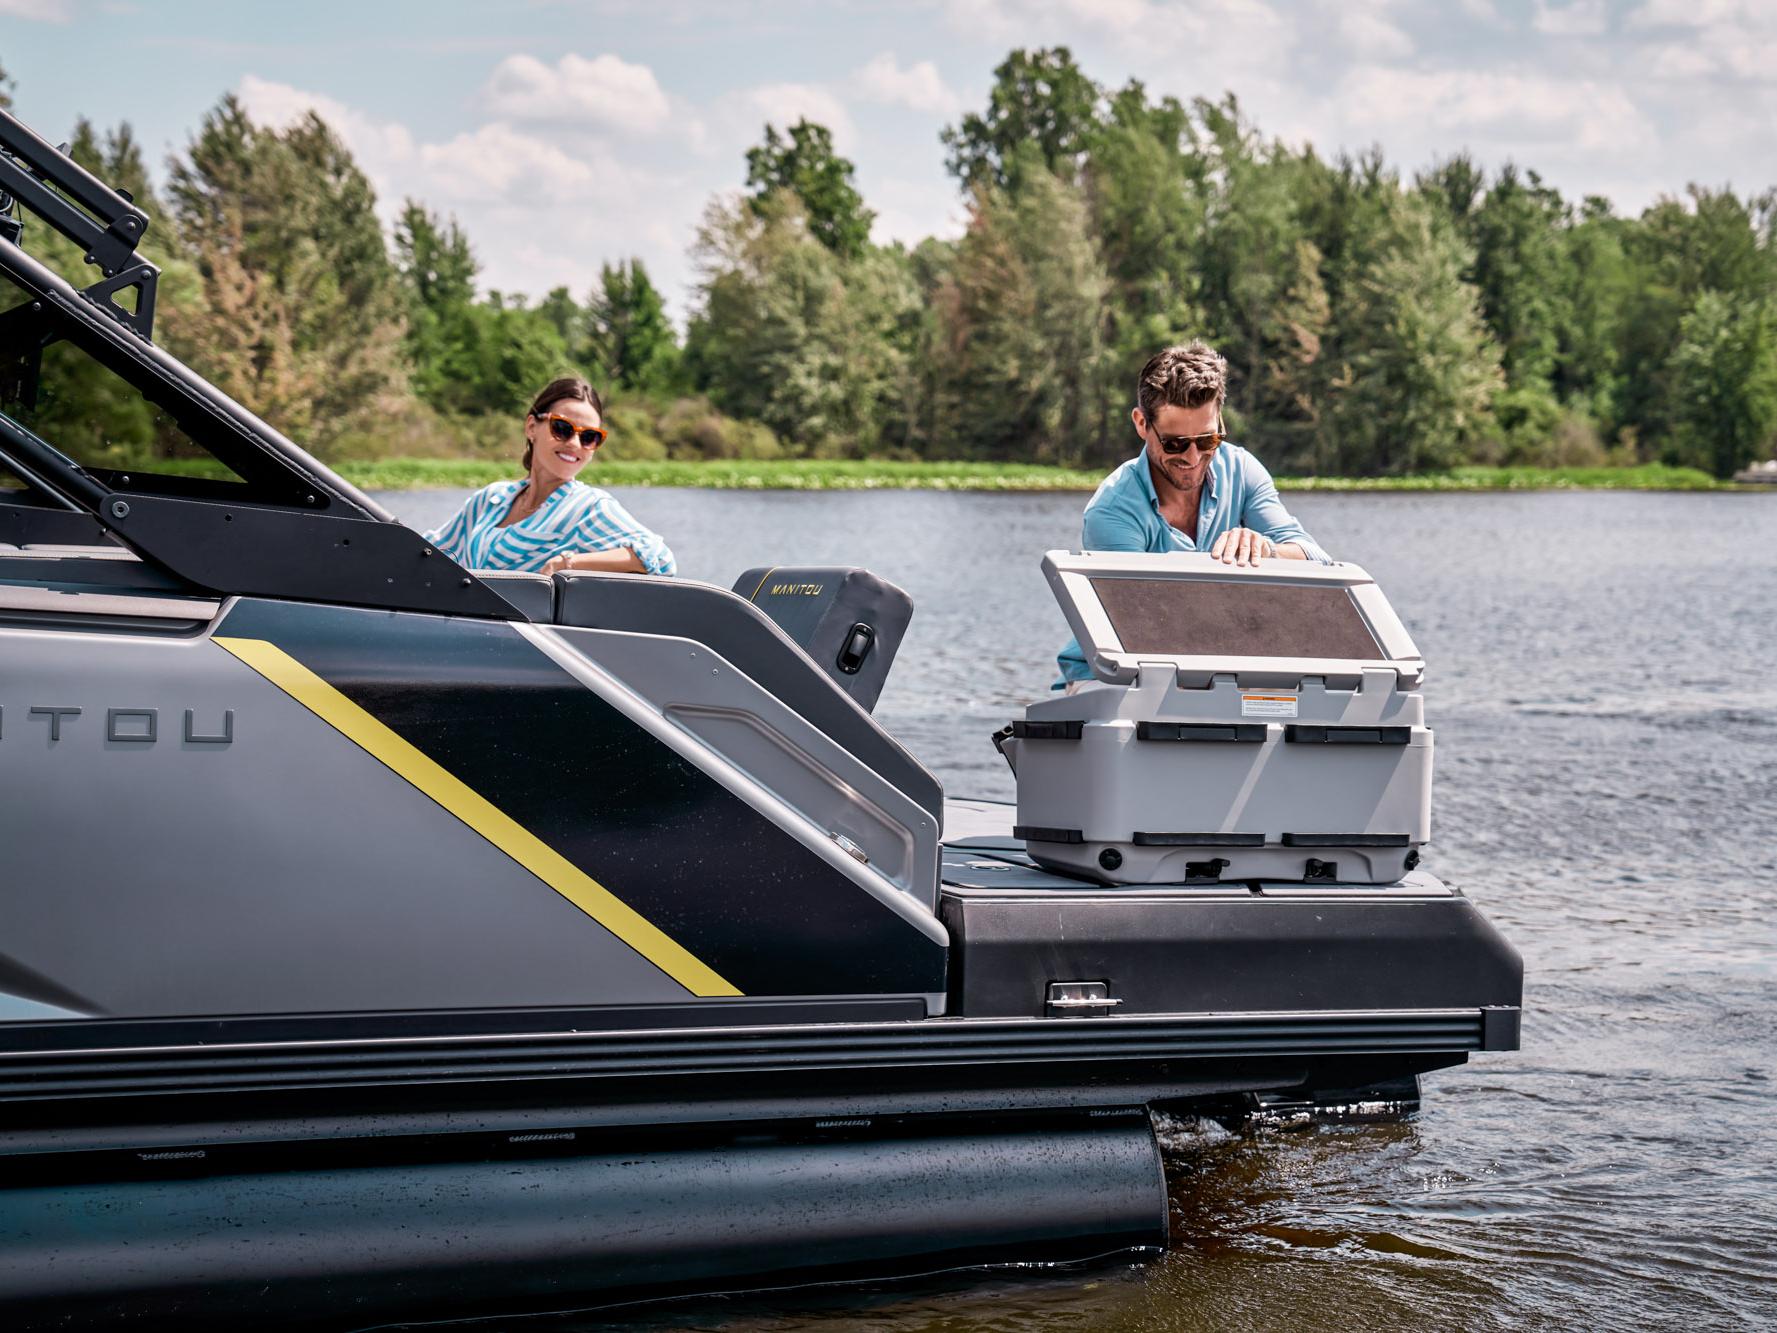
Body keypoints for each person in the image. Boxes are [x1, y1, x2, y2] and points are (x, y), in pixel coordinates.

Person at [1056, 342, 1329, 686]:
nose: (1192, 457)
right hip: (1111, 677)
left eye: (1207, 440)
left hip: (1217, 661)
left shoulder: (1242, 469)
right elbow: (1139, 629)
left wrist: (1266, 549)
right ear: (1142, 424)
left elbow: (1319, 561)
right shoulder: (1111, 511)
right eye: (1174, 443)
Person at [422, 376, 676, 577]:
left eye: (589, 437)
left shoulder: (587, 508)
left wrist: (566, 563)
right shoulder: (491, 498)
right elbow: (429, 551)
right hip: (465, 629)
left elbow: (660, 558)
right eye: (563, 429)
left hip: (522, 638)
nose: (575, 443)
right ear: (532, 426)